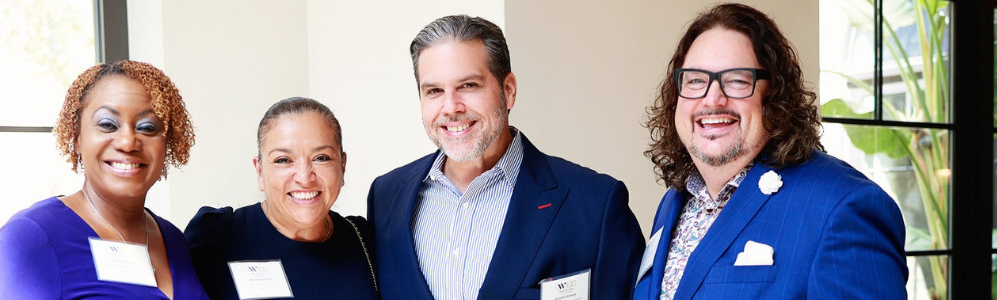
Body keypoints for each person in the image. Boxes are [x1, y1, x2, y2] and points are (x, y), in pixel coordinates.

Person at [632, 3, 908, 299]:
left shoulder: (843, 206)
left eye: (737, 80)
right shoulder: (674, 202)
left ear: (774, 96)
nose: (712, 98)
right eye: (696, 80)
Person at [368, 15, 645, 299]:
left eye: (469, 86)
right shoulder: (386, 197)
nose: (450, 108)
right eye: (434, 91)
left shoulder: (595, 204)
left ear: (508, 90)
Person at [0, 60, 208, 299]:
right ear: (77, 138)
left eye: (147, 127)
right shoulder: (31, 236)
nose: (127, 142)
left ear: (167, 144)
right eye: (107, 124)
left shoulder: (173, 239)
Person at [184, 97, 377, 300]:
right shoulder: (215, 236)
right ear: (259, 172)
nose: (304, 177)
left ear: (342, 166)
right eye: (283, 160)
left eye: (321, 158)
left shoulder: (363, 239)